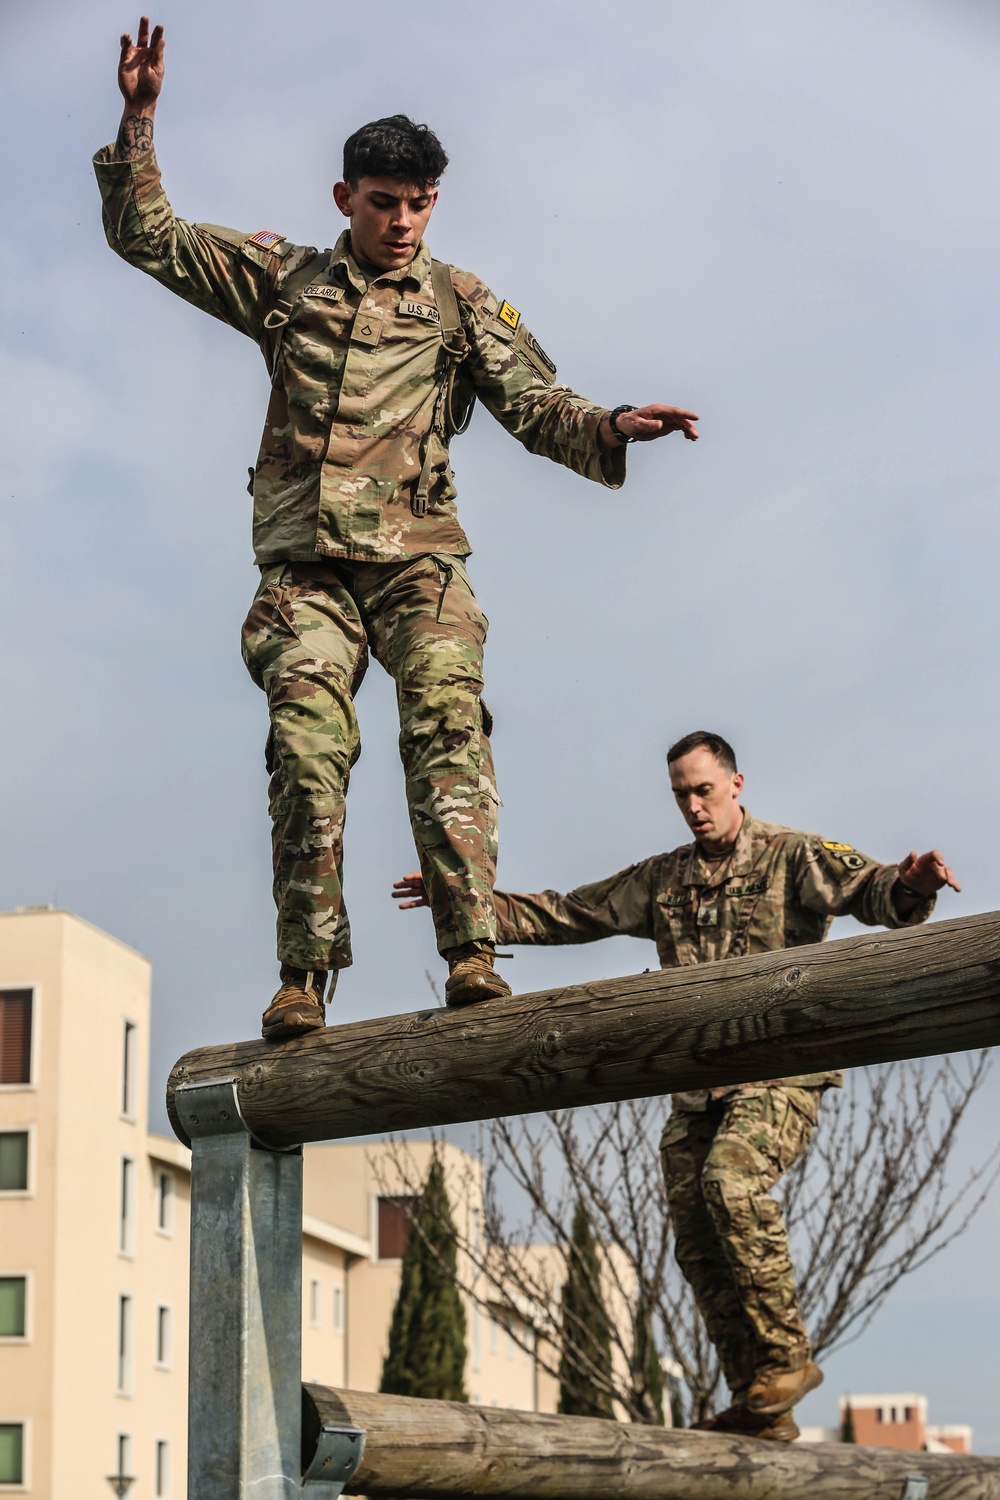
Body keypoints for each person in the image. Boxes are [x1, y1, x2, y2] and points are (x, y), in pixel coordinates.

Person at [94, 19, 700, 1040]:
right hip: (308, 572)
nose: (405, 222)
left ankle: (470, 953)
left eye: (421, 204)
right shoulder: (287, 279)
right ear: (346, 201)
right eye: (386, 204)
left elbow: (536, 404)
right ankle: (304, 975)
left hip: (418, 563)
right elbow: (149, 238)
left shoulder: (459, 303)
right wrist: (140, 117)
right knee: (305, 746)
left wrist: (607, 425)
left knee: (447, 725)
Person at [393, 729, 959, 1439]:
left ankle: (787, 1358)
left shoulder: (792, 855)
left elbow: (870, 889)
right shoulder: (665, 879)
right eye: (681, 796)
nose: (694, 807)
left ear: (736, 785)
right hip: (697, 1084)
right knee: (693, 1230)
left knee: (731, 1182)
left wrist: (911, 885)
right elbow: (572, 912)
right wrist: (464, 900)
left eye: (704, 790)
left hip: (777, 1071)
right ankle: (761, 1398)